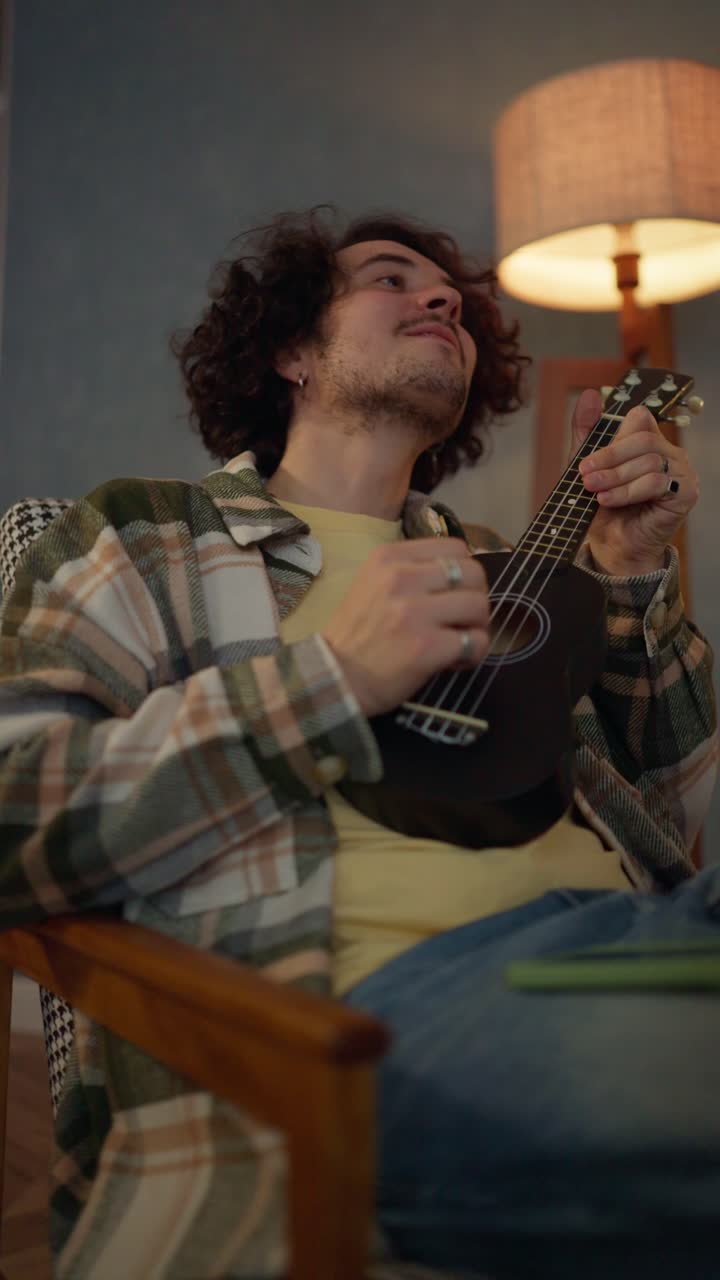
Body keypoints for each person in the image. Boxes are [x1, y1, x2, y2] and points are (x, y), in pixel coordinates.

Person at [0, 206, 717, 1280]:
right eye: (391, 278)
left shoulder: (507, 566)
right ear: (291, 347)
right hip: (380, 1015)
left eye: (454, 300)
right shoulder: (145, 536)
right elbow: (15, 814)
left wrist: (631, 573)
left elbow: (674, 805)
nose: (445, 301)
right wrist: (329, 679)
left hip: (645, 934)